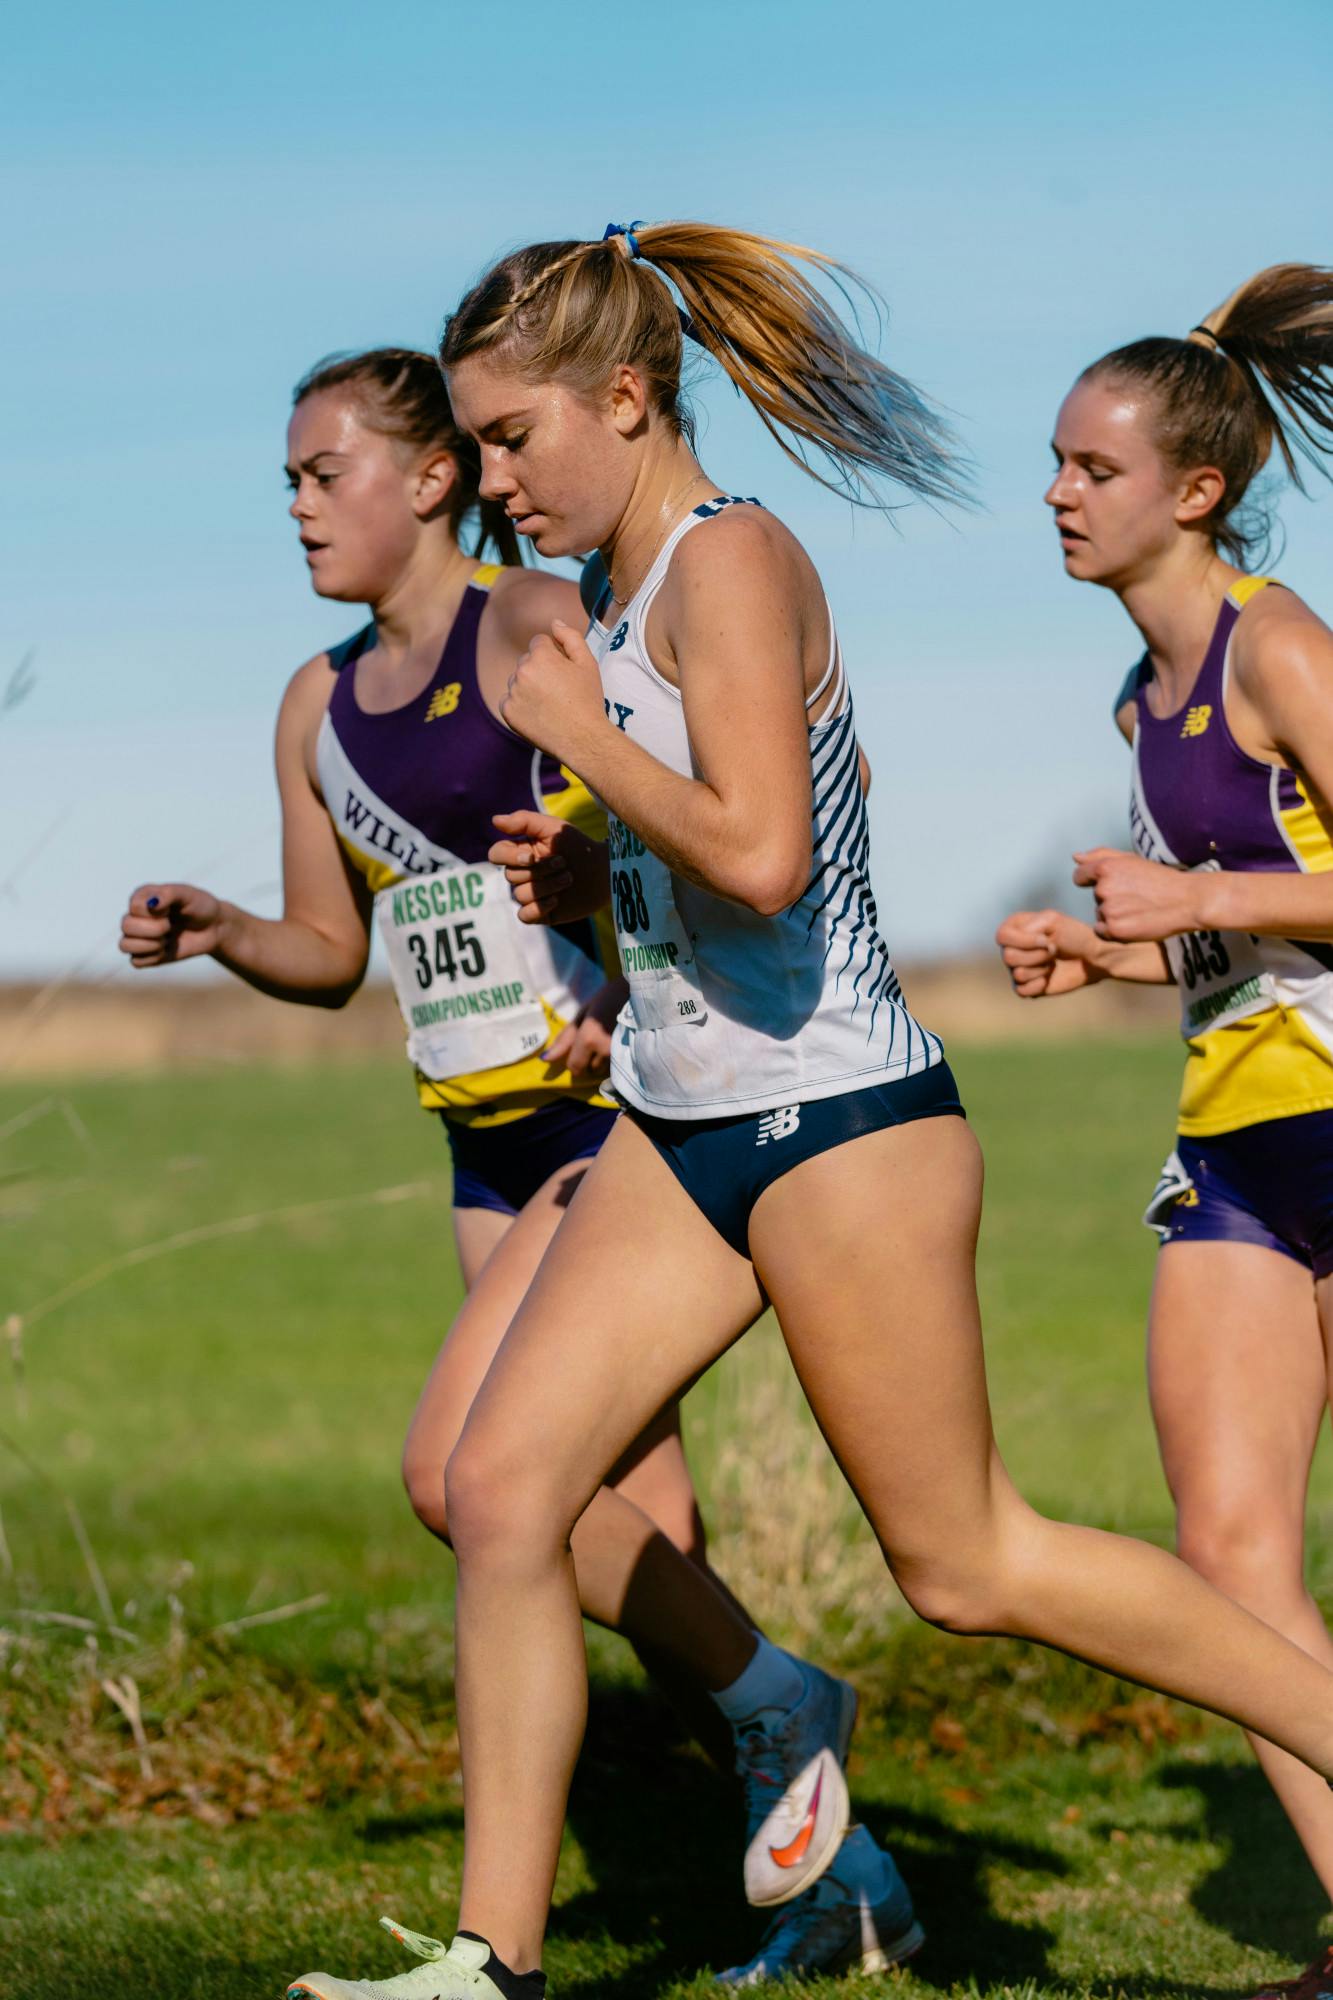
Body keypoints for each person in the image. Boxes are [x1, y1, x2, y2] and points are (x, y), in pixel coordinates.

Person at [288, 225, 1333, 2000]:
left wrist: (590, 753)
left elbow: (770, 858)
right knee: (500, 1485)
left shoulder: (730, 565)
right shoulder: (615, 599)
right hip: (684, 1124)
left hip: (843, 1123)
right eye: (476, 446)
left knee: (968, 1561)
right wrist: (594, 873)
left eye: (518, 437)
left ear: (625, 399)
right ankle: (492, 1963)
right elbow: (712, 858)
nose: (494, 481)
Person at [118, 348, 907, 1966]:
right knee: (613, 1528)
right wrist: (224, 932)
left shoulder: (538, 626)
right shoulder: (317, 707)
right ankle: (832, 1872)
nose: (294, 507)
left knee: (472, 1483)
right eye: (283, 480)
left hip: (619, 1120)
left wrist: (612, 960)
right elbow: (334, 953)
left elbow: (732, 810)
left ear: (424, 481)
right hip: (485, 1150)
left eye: (319, 473)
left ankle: (763, 1735)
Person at [996, 265, 1333, 1997]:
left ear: (1193, 491)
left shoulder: (1280, 645)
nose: (1055, 493)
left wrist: (1193, 889)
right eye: (1052, 464)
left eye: (1089, 469)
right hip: (1234, 1138)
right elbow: (1248, 937)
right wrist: (1115, 949)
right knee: (1224, 1549)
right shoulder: (1137, 705)